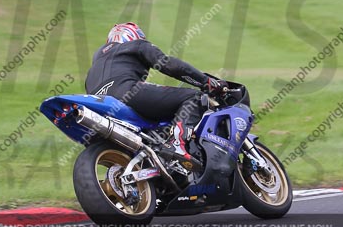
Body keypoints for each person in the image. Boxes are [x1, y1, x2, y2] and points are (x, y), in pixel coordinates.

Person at [85, 21, 240, 165]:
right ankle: (177, 144)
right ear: (133, 35)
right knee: (194, 97)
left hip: (101, 107)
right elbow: (170, 65)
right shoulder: (136, 45)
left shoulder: (93, 70)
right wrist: (207, 82)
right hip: (128, 94)